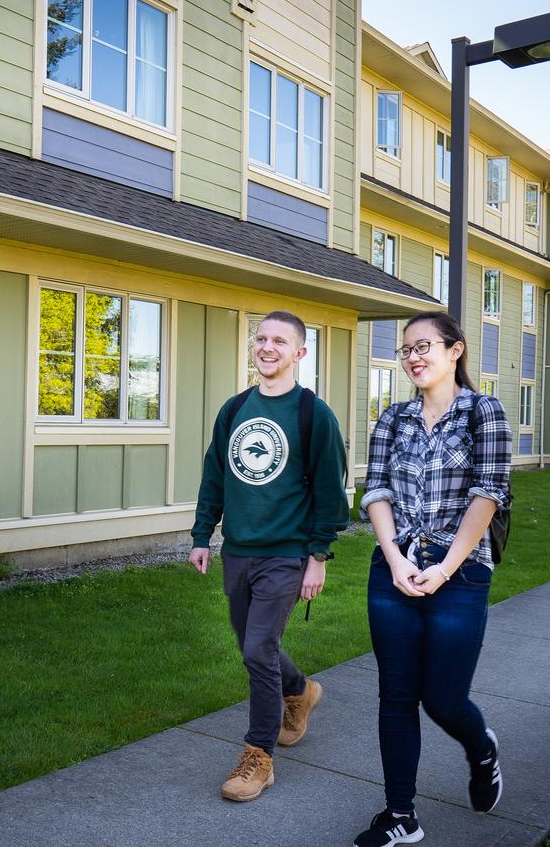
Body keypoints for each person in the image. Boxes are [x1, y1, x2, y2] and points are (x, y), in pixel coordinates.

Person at [351, 311, 511, 847]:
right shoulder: (392, 419)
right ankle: (401, 816)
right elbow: (375, 492)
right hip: (394, 571)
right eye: (406, 350)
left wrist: (443, 569)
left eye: (424, 346)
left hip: (460, 573)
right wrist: (395, 560)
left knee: (443, 699)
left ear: (455, 351)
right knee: (396, 695)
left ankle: (481, 748)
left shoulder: (483, 413)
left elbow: (488, 494)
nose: (414, 357)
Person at [189, 310, 350, 802]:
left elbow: (331, 492)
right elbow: (216, 474)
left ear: (300, 353)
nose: (267, 347)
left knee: (258, 649)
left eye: (280, 340)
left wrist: (318, 555)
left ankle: (258, 757)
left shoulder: (312, 414)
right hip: (239, 550)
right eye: (261, 338)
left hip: (286, 553)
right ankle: (300, 690)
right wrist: (202, 534)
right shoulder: (235, 409)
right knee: (252, 646)